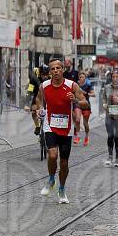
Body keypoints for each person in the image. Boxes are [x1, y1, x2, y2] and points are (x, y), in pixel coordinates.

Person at [36, 59, 89, 204]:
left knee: (64, 162)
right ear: (49, 72)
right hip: (50, 125)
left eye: (58, 68)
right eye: (52, 69)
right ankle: (51, 179)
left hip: (66, 128)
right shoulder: (44, 86)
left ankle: (62, 189)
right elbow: (39, 100)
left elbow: (85, 103)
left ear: (63, 69)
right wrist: (40, 109)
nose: (55, 71)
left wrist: (75, 101)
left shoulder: (72, 85)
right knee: (52, 155)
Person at [72, 71, 95, 146]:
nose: (81, 79)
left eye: (83, 77)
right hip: (78, 104)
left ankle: (86, 136)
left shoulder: (88, 85)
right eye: (80, 77)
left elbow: (93, 94)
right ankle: (78, 136)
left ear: (85, 78)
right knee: (77, 119)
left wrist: (87, 93)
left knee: (85, 123)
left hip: (86, 105)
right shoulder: (76, 85)